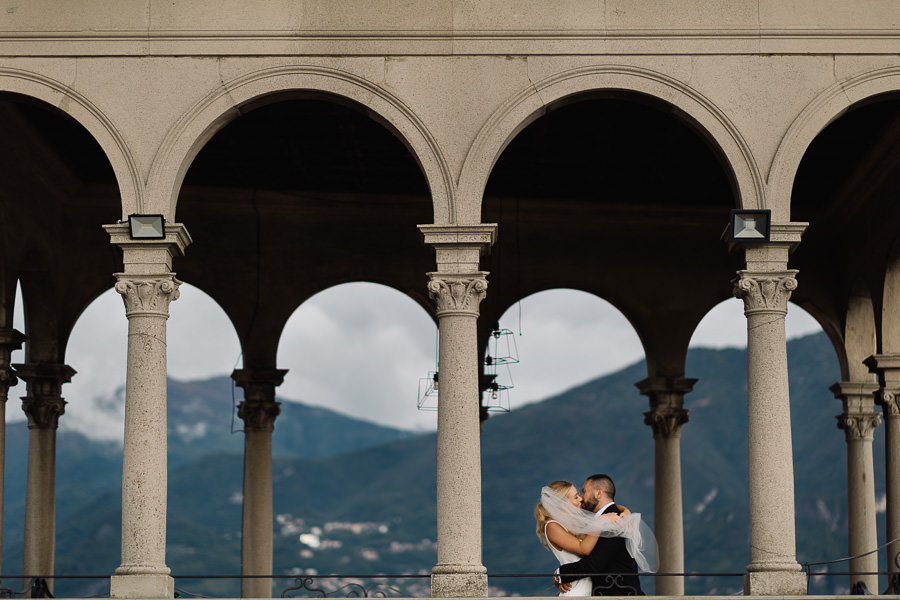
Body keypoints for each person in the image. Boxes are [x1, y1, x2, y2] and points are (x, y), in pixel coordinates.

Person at [555, 474, 648, 596]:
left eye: (584, 492)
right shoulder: (608, 517)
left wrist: (560, 573)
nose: (581, 498)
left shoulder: (615, 521)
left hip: (620, 595)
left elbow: (594, 564)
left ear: (598, 494)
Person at [535, 480, 625, 596]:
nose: (581, 499)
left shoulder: (576, 524)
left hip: (590, 591)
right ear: (564, 503)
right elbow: (584, 549)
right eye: (576, 497)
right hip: (575, 591)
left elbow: (605, 507)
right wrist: (600, 522)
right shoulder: (552, 526)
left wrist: (624, 511)